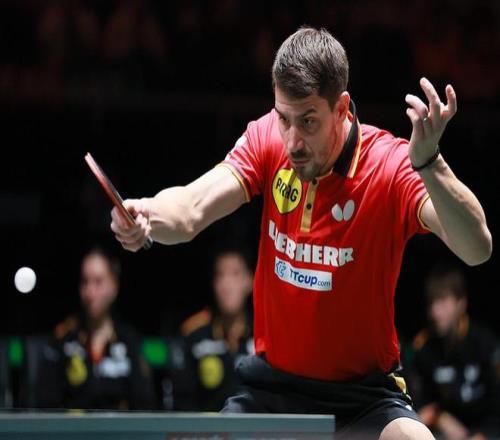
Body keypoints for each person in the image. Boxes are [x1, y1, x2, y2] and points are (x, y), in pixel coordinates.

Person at [110, 27, 492, 439]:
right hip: (271, 391)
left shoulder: (389, 166)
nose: (292, 142)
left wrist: (430, 162)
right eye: (283, 118)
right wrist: (147, 214)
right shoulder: (267, 139)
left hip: (363, 398)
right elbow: (191, 209)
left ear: (341, 108)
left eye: (308, 121)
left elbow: (477, 248)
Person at [36, 246, 156, 410]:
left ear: (114, 286)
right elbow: (46, 405)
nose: (90, 292)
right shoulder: (62, 340)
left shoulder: (129, 341)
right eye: (85, 282)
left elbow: (145, 404)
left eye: (98, 282)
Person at [410, 261, 499, 439]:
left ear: (461, 303)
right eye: (432, 303)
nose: (435, 312)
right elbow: (418, 404)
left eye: (442, 302)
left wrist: (481, 435)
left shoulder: (485, 343)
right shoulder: (423, 348)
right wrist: (439, 417)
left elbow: (496, 402)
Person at [173, 248, 254, 411]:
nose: (227, 285)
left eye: (235, 274)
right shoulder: (193, 334)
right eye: (220, 275)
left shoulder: (264, 333)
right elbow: (182, 403)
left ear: (250, 281)